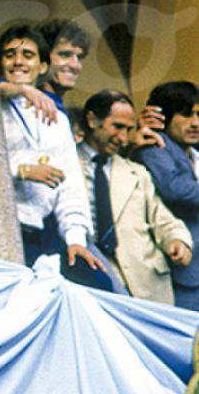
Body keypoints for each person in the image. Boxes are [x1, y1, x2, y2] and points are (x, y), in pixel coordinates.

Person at [0, 24, 109, 289]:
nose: (18, 61)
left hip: (42, 231)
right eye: (9, 54)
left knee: (98, 285)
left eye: (27, 55)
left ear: (43, 65)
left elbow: (70, 185)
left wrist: (76, 239)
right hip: (3, 226)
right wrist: (22, 170)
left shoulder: (58, 118)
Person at [79, 89, 191, 304]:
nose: (123, 138)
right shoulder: (67, 166)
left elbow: (164, 220)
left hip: (146, 284)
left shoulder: (136, 172)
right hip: (94, 285)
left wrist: (177, 240)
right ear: (92, 120)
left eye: (128, 130)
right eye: (117, 127)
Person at [133, 81, 199, 310]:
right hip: (182, 270)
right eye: (186, 114)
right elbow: (175, 189)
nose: (196, 123)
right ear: (163, 116)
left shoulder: (194, 152)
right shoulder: (154, 146)